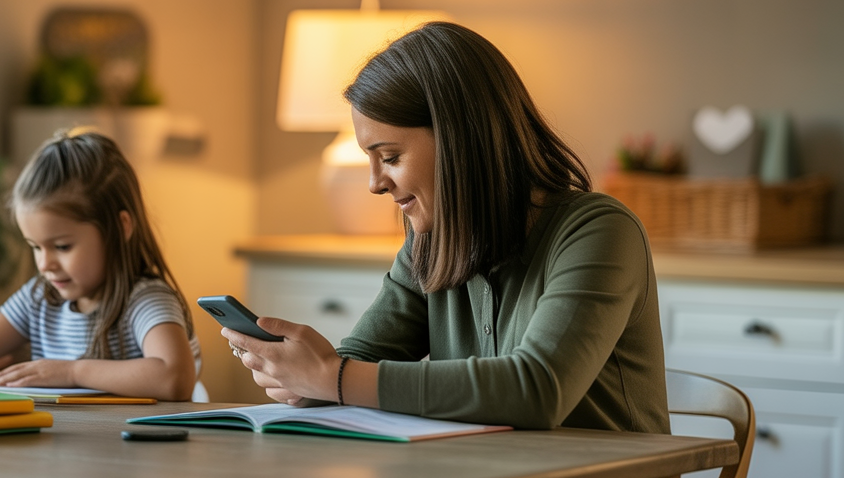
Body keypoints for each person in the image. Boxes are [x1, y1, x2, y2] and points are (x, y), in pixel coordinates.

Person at [225, 22, 669, 432]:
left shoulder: (600, 232)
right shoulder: (431, 242)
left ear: (460, 139)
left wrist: (330, 377)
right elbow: (360, 361)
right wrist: (301, 379)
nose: (375, 183)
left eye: (391, 157)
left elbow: (537, 390)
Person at [0, 130, 201, 401]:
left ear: (120, 228)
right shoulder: (40, 297)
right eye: (35, 247)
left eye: (62, 247)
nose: (45, 264)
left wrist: (72, 373)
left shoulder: (146, 300)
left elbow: (174, 378)